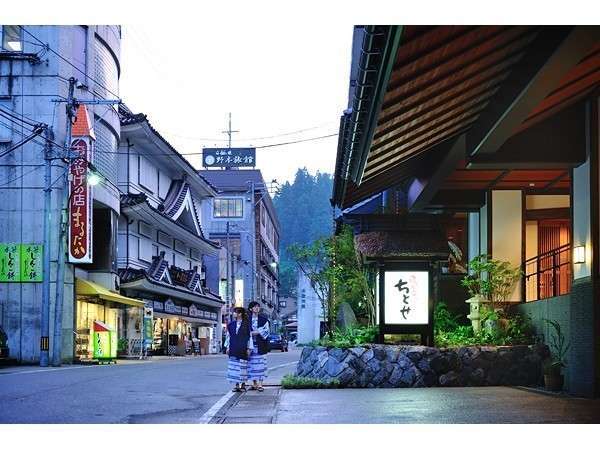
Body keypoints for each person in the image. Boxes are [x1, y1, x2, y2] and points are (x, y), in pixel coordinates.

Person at [224, 307, 253, 392]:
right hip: (233, 347)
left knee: (243, 367)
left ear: (240, 314)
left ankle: (243, 385)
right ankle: (236, 385)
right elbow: (228, 337)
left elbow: (249, 337)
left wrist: (249, 348)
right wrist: (228, 347)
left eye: (235, 312)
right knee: (234, 367)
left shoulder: (246, 325)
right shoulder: (231, 325)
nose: (234, 314)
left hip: (243, 348)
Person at [247, 301, 270, 392]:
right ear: (251, 309)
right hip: (250, 346)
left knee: (261, 365)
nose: (257, 308)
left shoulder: (264, 320)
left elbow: (266, 331)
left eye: (258, 307)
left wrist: (253, 332)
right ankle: (254, 383)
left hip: (261, 345)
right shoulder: (246, 320)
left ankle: (260, 384)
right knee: (251, 365)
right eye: (255, 307)